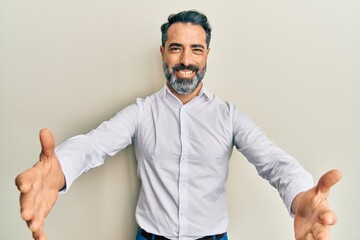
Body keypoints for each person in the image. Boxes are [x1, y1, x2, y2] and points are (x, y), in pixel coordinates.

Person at [15, 10, 342, 240]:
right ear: (163, 53)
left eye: (195, 49)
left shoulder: (228, 116)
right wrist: (57, 171)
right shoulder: (141, 113)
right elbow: (93, 145)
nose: (186, 59)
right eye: (176, 48)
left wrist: (301, 199)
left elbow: (272, 161)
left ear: (206, 55)